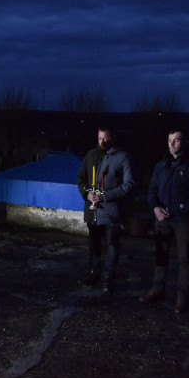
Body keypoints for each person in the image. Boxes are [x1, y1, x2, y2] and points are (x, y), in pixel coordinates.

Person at [139, 129, 189, 314]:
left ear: (184, 142)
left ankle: (182, 298)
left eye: (176, 140)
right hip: (162, 218)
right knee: (161, 255)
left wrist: (175, 210)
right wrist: (155, 208)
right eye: (169, 140)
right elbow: (152, 190)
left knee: (184, 259)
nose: (172, 144)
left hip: (182, 219)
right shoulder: (161, 165)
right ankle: (157, 288)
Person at [76, 124, 137, 294]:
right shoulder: (91, 155)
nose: (102, 142)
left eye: (105, 138)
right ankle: (93, 273)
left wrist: (106, 196)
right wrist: (86, 193)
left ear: (113, 138)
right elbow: (81, 178)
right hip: (92, 209)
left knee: (112, 243)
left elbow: (129, 184)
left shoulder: (123, 157)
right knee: (93, 242)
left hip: (111, 210)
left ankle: (108, 278)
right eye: (99, 138)